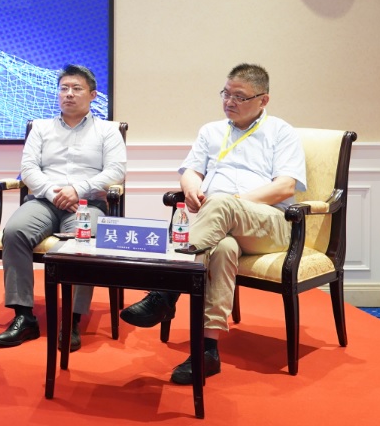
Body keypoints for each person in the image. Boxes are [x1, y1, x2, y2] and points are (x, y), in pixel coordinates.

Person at [120, 63, 306, 384]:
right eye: (226, 94)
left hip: (270, 224)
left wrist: (233, 202)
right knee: (222, 248)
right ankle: (207, 351)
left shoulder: (281, 132)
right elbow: (191, 171)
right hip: (221, 227)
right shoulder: (211, 131)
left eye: (239, 96)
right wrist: (192, 187)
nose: (229, 102)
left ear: (263, 100)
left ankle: (164, 292)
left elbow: (285, 187)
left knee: (220, 203)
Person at [0, 64, 126, 352]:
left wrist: (78, 189)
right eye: (64, 88)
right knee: (14, 232)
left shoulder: (108, 131)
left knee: (82, 239)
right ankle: (24, 316)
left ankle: (72, 319)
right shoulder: (41, 128)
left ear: (92, 95)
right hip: (44, 200)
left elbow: (116, 171)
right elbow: (28, 169)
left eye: (76, 88)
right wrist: (55, 194)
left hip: (87, 203)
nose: (68, 94)